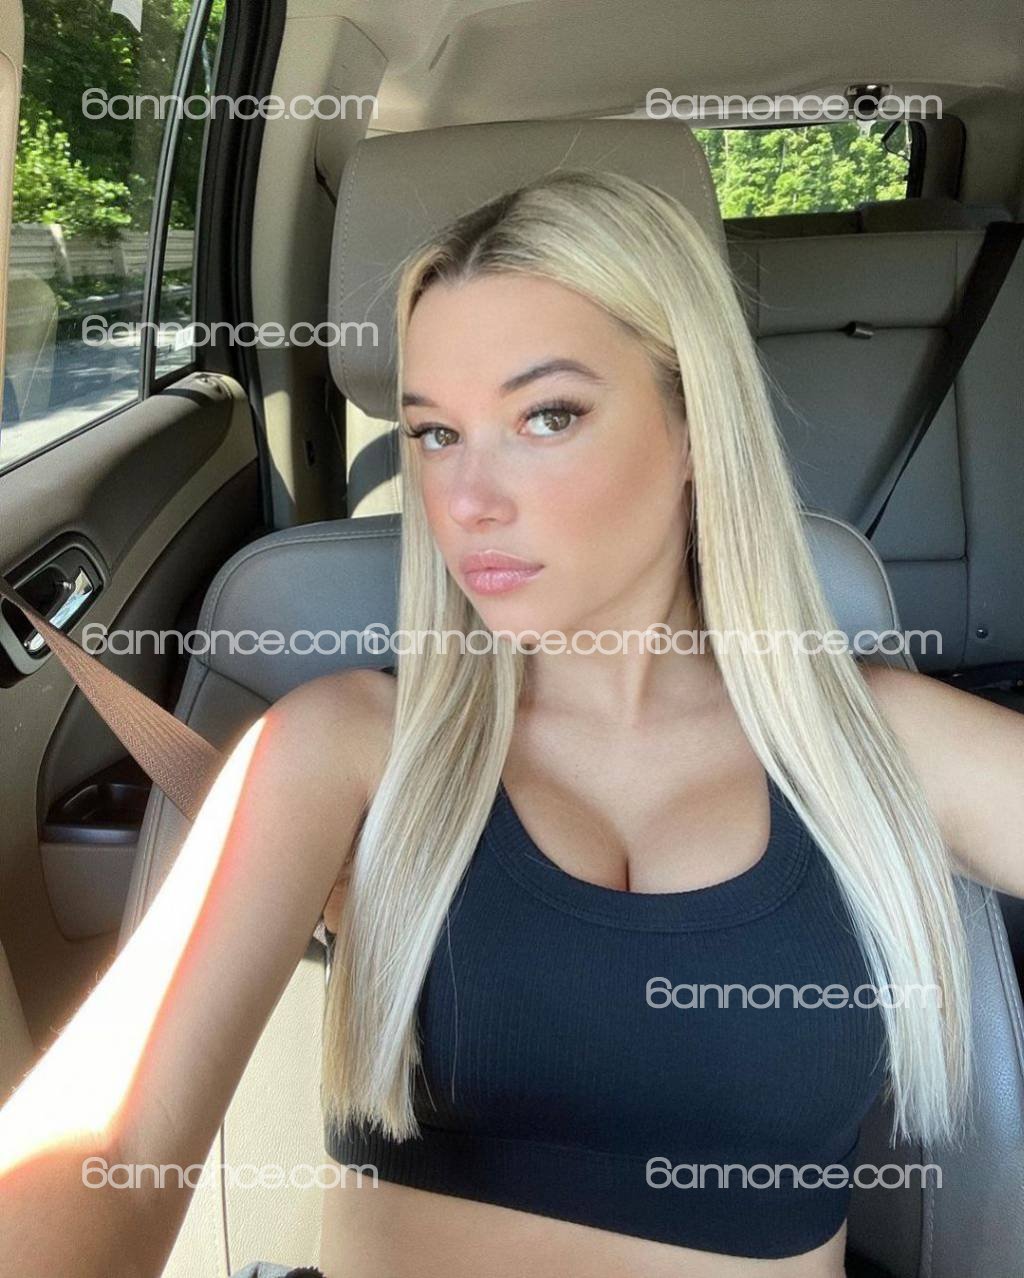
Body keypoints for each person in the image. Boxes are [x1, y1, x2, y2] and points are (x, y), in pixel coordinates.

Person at [3, 170, 1023, 1278]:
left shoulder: (878, 742)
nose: (466, 500)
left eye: (548, 416)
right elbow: (112, 1140)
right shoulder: (346, 746)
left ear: (694, 425)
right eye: (436, 433)